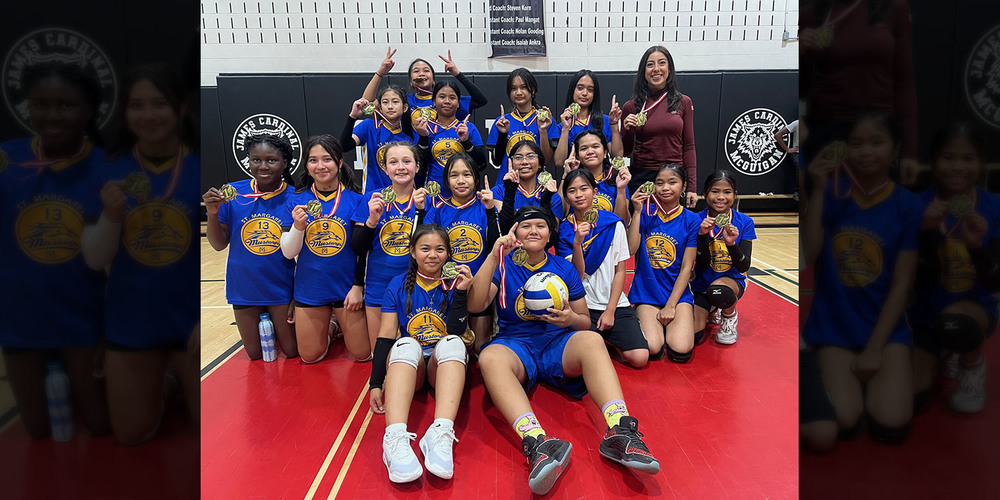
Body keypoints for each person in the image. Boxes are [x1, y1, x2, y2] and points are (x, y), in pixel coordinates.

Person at [467, 206, 660, 495]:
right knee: (490, 357)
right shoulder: (504, 265)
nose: (533, 230)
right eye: (525, 226)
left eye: (540, 226)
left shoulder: (564, 267)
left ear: (549, 235)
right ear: (515, 233)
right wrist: (494, 255)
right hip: (517, 344)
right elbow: (475, 305)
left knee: (593, 340)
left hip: (557, 343)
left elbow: (583, 321)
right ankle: (538, 442)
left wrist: (570, 318)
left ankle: (620, 429)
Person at [82, 64, 200, 443]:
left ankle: (176, 381)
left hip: (190, 321)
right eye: (137, 105)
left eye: (159, 104)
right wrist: (112, 216)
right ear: (126, 112)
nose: (148, 115)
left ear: (179, 109)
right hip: (134, 316)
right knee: (132, 434)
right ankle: (166, 384)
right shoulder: (107, 169)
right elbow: (95, 259)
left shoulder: (198, 164)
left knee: (208, 435)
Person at [0, 62, 111, 439]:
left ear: (88, 109)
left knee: (98, 425)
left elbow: (118, 260)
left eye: (66, 105)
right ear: (28, 107)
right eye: (42, 104)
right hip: (19, 320)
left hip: (83, 319)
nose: (53, 114)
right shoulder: (6, 160)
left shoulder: (107, 167)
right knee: (37, 433)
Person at [802, 111, 921, 444]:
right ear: (844, 149)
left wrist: (874, 350)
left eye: (877, 142)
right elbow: (808, 256)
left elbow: (902, 284)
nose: (866, 151)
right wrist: (820, 190)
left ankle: (891, 371)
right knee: (841, 418)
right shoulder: (834, 196)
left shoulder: (907, 206)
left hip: (884, 331)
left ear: (896, 150)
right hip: (835, 328)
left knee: (891, 421)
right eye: (857, 144)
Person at [368, 225, 473, 483]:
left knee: (454, 343)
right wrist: (375, 384)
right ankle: (393, 438)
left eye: (440, 249)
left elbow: (457, 330)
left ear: (448, 253)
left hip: (441, 366)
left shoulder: (456, 282)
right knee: (406, 344)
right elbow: (384, 336)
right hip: (410, 368)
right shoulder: (397, 284)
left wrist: (460, 292)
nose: (433, 255)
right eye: (425, 248)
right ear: (413, 252)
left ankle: (440, 434)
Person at [909, 123, 1000, 414]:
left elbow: (995, 283)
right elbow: (915, 280)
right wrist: (927, 234)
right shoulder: (915, 206)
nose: (958, 167)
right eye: (949, 158)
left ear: (981, 163)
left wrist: (976, 248)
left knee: (956, 323)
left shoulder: (994, 207)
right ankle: (943, 349)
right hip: (924, 314)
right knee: (911, 400)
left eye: (968, 158)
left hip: (972, 310)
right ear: (933, 162)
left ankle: (971, 364)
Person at [799, 0, 918, 185]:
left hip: (879, 131)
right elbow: (801, 90)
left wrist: (910, 152)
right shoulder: (811, 12)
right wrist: (801, 54)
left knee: (877, 208)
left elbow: (905, 85)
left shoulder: (893, 7)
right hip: (828, 132)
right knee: (826, 208)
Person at [203, 134, 299, 360]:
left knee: (292, 351)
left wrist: (299, 295)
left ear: (285, 163)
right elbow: (218, 244)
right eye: (256, 160)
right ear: (248, 160)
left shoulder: (295, 196)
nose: (263, 166)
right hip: (244, 287)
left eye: (271, 160)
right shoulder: (232, 194)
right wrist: (213, 214)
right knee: (255, 355)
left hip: (281, 287)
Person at [281, 135, 371, 363]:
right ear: (307, 166)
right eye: (313, 160)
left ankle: (335, 322)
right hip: (311, 288)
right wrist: (298, 227)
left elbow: (363, 250)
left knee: (362, 355)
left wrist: (358, 287)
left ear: (340, 162)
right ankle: (331, 326)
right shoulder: (296, 200)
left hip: (346, 289)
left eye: (327, 159)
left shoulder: (356, 199)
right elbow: (289, 253)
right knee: (310, 357)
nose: (320, 166)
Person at [556, 169, 648, 367]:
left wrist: (610, 311)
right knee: (585, 359)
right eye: (572, 191)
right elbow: (577, 275)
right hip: (582, 305)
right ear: (566, 197)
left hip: (612, 303)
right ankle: (602, 339)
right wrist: (577, 244)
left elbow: (620, 270)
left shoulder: (613, 223)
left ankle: (610, 339)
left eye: (584, 188)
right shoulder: (564, 230)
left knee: (640, 358)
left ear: (595, 191)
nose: (579, 195)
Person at [351, 142, 429, 349]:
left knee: (415, 353)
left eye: (407, 161)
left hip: (418, 286)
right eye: (393, 162)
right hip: (379, 285)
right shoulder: (372, 198)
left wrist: (421, 211)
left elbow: (426, 248)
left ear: (417, 166)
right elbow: (358, 248)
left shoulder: (428, 200)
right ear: (385, 169)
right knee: (381, 352)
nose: (401, 167)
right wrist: (371, 221)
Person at [424, 153, 500, 351]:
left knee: (479, 348)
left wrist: (492, 209)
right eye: (454, 175)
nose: (460, 181)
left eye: (466, 174)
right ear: (446, 181)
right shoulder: (438, 209)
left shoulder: (486, 205)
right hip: (447, 284)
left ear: (475, 177)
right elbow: (426, 248)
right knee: (455, 350)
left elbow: (495, 246)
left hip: (480, 282)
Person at [627, 163, 701, 362]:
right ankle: (647, 322)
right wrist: (636, 212)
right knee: (652, 347)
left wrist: (671, 306)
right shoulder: (645, 213)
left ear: (684, 187)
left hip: (677, 295)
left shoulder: (691, 220)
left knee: (681, 348)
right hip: (647, 293)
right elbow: (631, 250)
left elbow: (687, 267)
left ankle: (672, 323)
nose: (665, 187)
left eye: (672, 182)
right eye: (660, 183)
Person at [622, 46, 698, 209]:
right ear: (644, 71)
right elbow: (625, 152)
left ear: (669, 69)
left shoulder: (683, 102)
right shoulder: (631, 106)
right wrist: (626, 130)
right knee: (640, 229)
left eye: (661, 63)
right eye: (650, 64)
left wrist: (691, 187)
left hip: (673, 176)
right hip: (643, 176)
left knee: (672, 230)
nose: (656, 69)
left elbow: (689, 147)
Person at [691, 170, 757, 345]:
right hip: (700, 283)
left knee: (718, 291)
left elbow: (744, 266)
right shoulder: (695, 220)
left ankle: (729, 316)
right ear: (705, 194)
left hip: (729, 282)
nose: (721, 197)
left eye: (727, 192)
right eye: (715, 191)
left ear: (735, 195)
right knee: (693, 337)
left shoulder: (744, 222)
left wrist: (731, 244)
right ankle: (712, 309)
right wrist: (702, 235)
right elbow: (703, 264)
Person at [361, 47, 488, 128]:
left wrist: (457, 74)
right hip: (413, 156)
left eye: (426, 71)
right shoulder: (403, 100)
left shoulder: (445, 100)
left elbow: (480, 100)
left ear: (433, 78)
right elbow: (367, 104)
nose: (421, 74)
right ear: (411, 81)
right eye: (416, 71)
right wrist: (380, 72)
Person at [340, 85, 417, 193]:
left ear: (405, 107)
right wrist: (353, 116)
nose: (390, 106)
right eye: (385, 102)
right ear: (380, 108)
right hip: (373, 194)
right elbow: (344, 146)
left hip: (403, 197)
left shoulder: (411, 134)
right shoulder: (369, 126)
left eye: (395, 102)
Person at [416, 81, 486, 196]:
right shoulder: (425, 128)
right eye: (442, 97)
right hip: (435, 194)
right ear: (434, 101)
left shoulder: (468, 128)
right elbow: (419, 167)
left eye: (452, 98)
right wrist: (423, 137)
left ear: (458, 103)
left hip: (464, 193)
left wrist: (466, 141)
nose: (447, 101)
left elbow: (482, 164)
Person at [549, 70, 624, 167]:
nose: (585, 93)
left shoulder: (604, 121)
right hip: (575, 178)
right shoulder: (563, 125)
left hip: (601, 178)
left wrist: (614, 125)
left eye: (590, 90)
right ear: (572, 90)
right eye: (580, 88)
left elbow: (618, 155)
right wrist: (565, 130)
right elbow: (559, 162)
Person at [487, 68, 554, 171]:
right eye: (513, 88)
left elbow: (546, 160)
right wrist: (502, 134)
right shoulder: (502, 122)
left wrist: (543, 131)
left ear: (533, 90)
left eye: (523, 87)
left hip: (535, 183)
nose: (518, 92)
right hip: (508, 182)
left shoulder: (545, 119)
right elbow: (496, 161)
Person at [563, 129, 631, 221]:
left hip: (608, 234)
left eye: (595, 146)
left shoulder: (617, 179)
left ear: (605, 152)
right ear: (577, 156)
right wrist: (566, 175)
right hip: (579, 233)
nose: (590, 151)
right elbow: (560, 214)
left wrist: (621, 189)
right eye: (584, 148)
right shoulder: (572, 179)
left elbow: (623, 222)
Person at [493, 140, 562, 228]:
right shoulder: (498, 192)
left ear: (540, 163)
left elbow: (552, 234)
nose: (524, 162)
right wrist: (510, 191)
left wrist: (546, 200)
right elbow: (503, 228)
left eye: (530, 156)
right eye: (518, 157)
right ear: (511, 163)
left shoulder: (552, 196)